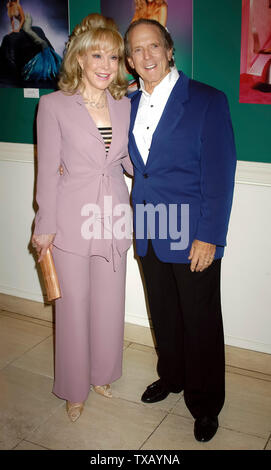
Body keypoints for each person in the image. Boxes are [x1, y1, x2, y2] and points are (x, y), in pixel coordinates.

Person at [124, 19, 236, 442]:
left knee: (200, 320)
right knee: (164, 313)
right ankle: (171, 376)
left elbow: (220, 174)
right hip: (150, 228)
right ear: (130, 60)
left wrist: (211, 235)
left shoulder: (207, 100)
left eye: (153, 46)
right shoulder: (129, 105)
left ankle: (206, 404)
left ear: (170, 50)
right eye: (137, 50)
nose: (146, 55)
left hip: (193, 235)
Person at [31, 13, 133, 423]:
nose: (107, 65)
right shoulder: (53, 106)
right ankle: (73, 388)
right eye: (98, 55)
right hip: (71, 219)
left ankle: (102, 374)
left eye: (114, 56)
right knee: (73, 307)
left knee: (110, 302)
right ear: (79, 58)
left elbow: (127, 160)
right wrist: (45, 226)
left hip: (114, 217)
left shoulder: (124, 106)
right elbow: (47, 173)